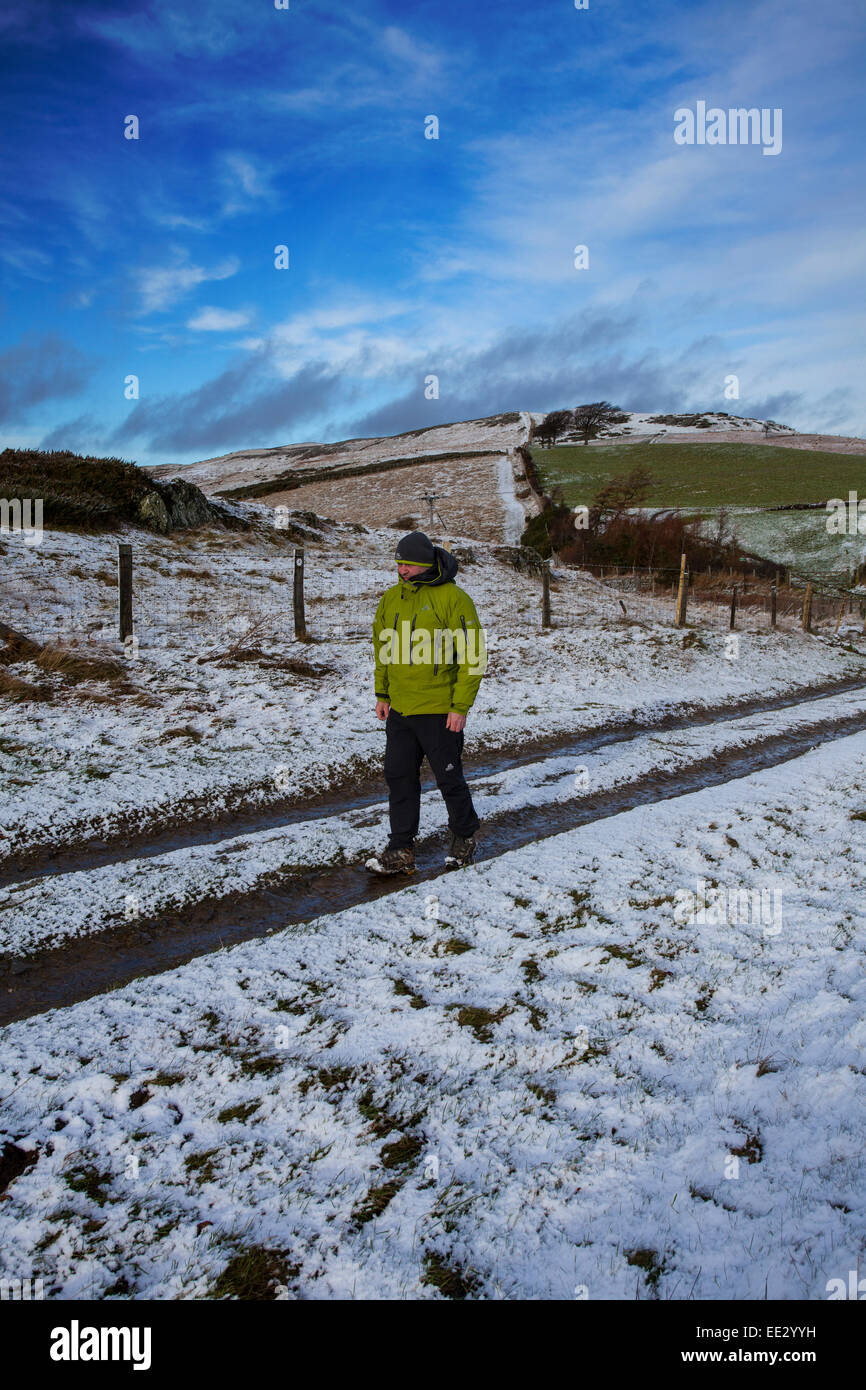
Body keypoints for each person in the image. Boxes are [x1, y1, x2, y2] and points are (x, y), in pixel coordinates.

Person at [365, 530, 486, 875]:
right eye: (398, 563)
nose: (400, 569)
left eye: (407, 564)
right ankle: (401, 848)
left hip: (440, 709)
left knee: (448, 778)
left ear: (424, 564)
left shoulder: (453, 599)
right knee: (399, 777)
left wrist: (460, 706)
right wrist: (383, 694)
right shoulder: (391, 599)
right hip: (401, 709)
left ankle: (464, 836)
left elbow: (473, 656)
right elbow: (383, 650)